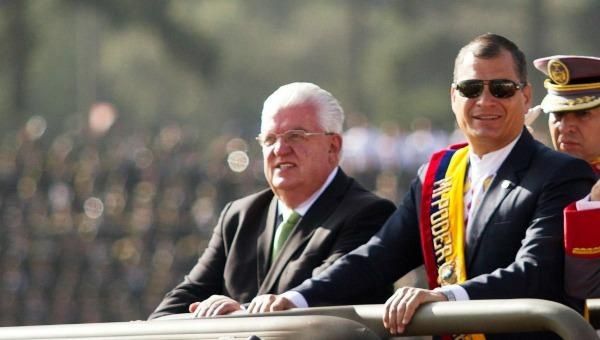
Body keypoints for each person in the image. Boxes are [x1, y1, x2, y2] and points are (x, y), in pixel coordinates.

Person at [246, 34, 596, 339]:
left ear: (525, 95)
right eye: (471, 89)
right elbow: (378, 256)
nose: (485, 101)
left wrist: (447, 298)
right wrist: (294, 300)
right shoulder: (438, 172)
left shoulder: (562, 173)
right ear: (453, 97)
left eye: (501, 89)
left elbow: (536, 271)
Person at [148, 82, 396, 319]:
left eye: (295, 136)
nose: (279, 149)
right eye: (269, 139)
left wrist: (238, 315)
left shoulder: (368, 215)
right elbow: (172, 310)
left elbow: (324, 299)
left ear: (333, 146)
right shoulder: (239, 216)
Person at [532, 55, 600, 301]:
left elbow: (584, 286)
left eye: (582, 114)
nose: (565, 126)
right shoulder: (532, 176)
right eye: (558, 115)